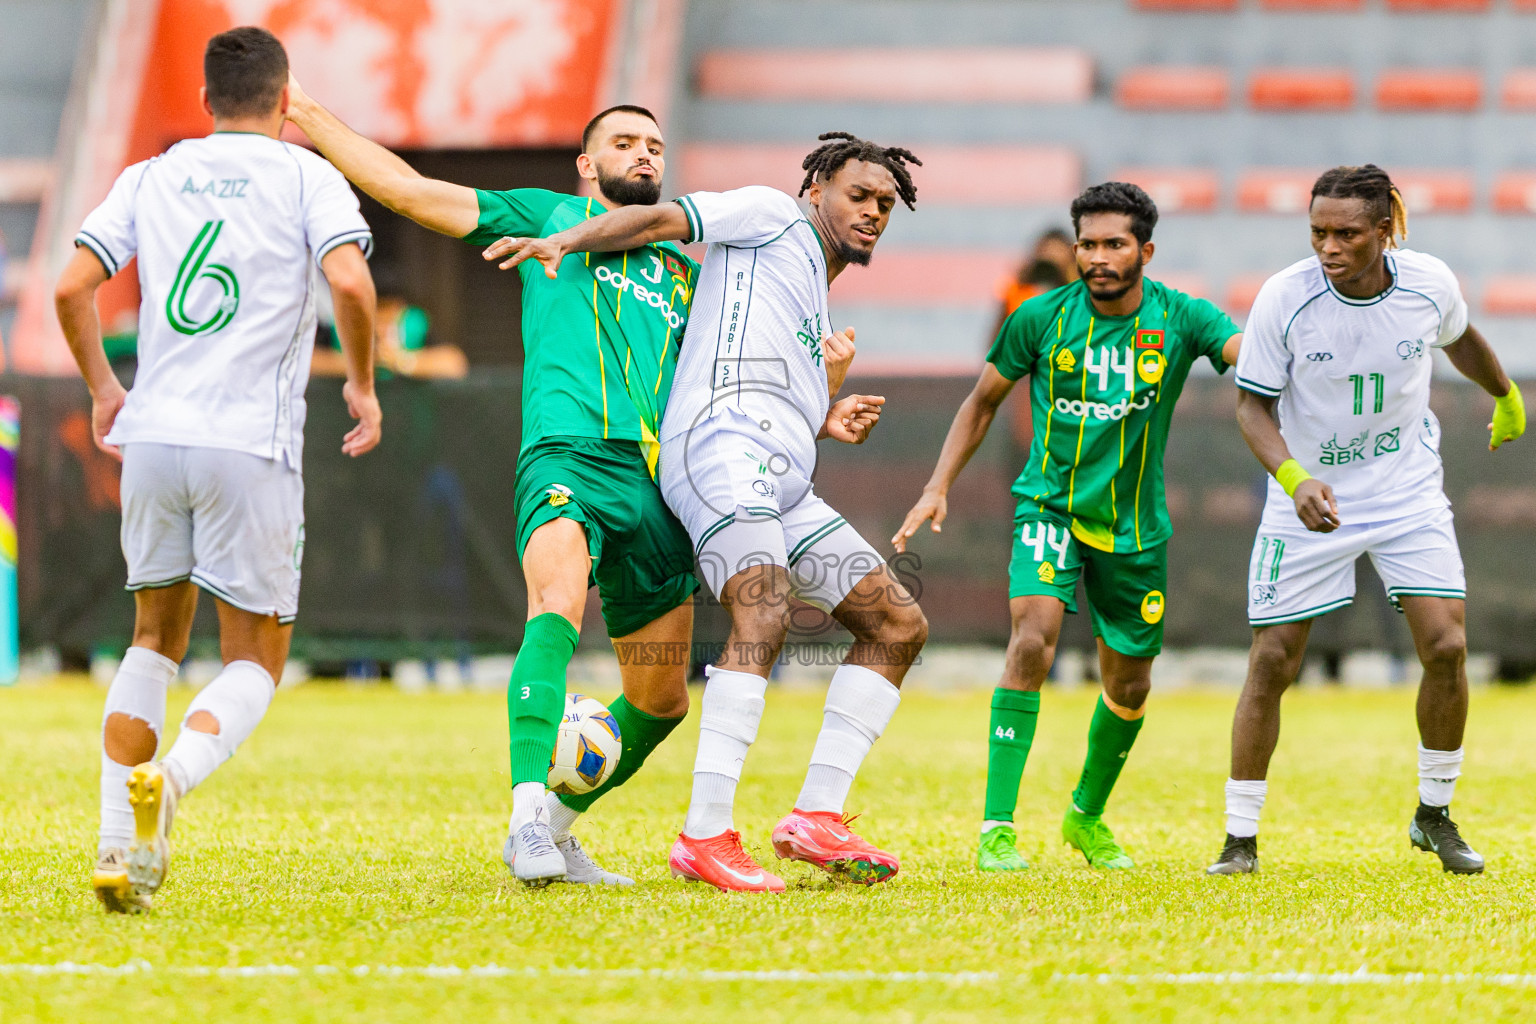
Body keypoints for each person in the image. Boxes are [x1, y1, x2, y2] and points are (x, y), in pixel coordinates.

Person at [286, 87, 714, 887]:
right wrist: (308, 116)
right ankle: (525, 817)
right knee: (554, 610)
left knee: (660, 699)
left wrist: (824, 398)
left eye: (653, 145)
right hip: (568, 457)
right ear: (588, 165)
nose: (644, 155)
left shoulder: (690, 274)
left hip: (659, 487)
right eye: (623, 143)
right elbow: (411, 192)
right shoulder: (546, 218)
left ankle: (554, 830)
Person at [485, 131, 926, 892]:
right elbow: (659, 221)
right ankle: (705, 835)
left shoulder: (804, 286)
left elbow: (755, 369)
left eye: (885, 204)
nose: (873, 212)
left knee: (897, 624)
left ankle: (817, 816)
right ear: (815, 186)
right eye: (858, 195)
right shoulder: (767, 212)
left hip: (780, 472)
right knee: (765, 603)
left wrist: (826, 410)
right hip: (720, 448)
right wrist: (567, 237)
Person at [55, 26, 382, 913]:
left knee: (151, 640)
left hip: (155, 436)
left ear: (206, 102)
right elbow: (350, 285)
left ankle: (119, 850)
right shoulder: (309, 173)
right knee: (254, 661)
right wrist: (359, 381)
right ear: (287, 103)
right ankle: (174, 778)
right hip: (251, 442)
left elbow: (70, 287)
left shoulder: (152, 173)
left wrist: (101, 389)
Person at [893, 182, 1242, 873]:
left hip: (1136, 527)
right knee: (1031, 639)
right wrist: (937, 486)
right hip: (1048, 506)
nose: (1098, 257)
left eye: (1115, 244)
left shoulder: (1182, 318)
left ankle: (1085, 816)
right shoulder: (1041, 316)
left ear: (1146, 250)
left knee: (1131, 684)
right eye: (1088, 243)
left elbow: (1244, 353)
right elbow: (982, 400)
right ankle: (997, 829)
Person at [1207, 165, 1525, 876]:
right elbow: (1251, 407)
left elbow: (1460, 336)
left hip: (1406, 491)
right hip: (1309, 495)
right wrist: (1292, 478)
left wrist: (1503, 392)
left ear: (1386, 231)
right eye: (1318, 231)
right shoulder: (1284, 299)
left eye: (1346, 233)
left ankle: (1434, 815)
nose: (1328, 246)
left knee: (1446, 648)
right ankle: (1239, 838)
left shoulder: (1428, 284)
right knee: (1271, 661)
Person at [311, 286, 468, 380]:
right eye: (376, 316)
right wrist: (359, 364)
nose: (381, 327)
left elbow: (454, 363)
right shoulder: (340, 325)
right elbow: (309, 362)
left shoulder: (414, 325)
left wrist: (401, 361)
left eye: (389, 318)